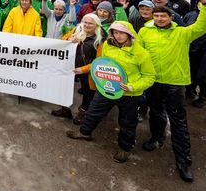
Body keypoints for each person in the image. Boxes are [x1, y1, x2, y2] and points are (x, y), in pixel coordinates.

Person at [137, 0, 206, 183]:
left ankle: (183, 161)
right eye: (156, 16)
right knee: (156, 112)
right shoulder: (144, 32)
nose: (159, 19)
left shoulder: (182, 33)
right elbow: (138, 53)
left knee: (178, 121)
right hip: (153, 81)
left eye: (163, 16)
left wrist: (204, 5)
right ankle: (157, 138)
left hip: (175, 82)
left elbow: (201, 26)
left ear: (171, 18)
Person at [67, 21, 156, 164]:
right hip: (106, 89)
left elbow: (149, 76)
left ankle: (125, 148)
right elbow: (100, 63)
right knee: (93, 112)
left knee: (127, 122)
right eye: (115, 32)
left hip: (129, 94)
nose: (118, 36)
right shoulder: (108, 46)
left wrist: (132, 87)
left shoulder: (141, 53)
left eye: (122, 33)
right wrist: (86, 72)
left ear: (129, 34)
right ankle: (84, 132)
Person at [51, 13, 104, 123]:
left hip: (87, 71)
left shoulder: (100, 39)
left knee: (87, 93)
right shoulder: (77, 30)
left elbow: (99, 61)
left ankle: (83, 113)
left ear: (97, 25)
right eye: (85, 22)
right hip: (70, 67)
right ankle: (65, 109)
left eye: (90, 23)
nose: (87, 25)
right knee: (65, 88)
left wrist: (83, 69)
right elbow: (62, 41)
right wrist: (69, 39)